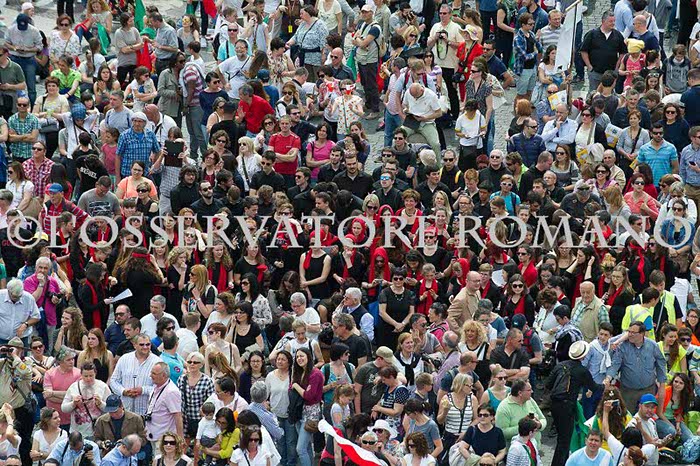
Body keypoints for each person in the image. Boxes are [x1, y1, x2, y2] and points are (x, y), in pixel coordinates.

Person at [548, 341, 603, 466]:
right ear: (583, 356)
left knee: (561, 438)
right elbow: (594, 387)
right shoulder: (582, 371)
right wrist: (605, 386)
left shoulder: (560, 366)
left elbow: (548, 384)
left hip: (555, 405)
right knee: (564, 440)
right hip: (567, 406)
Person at [604, 321, 667, 414]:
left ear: (642, 334)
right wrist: (608, 378)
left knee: (646, 416)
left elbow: (660, 364)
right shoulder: (622, 346)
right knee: (627, 416)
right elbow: (615, 364)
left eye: (633, 332)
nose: (630, 334)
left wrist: (662, 384)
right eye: (629, 331)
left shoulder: (652, 346)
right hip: (628, 391)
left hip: (648, 389)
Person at [109, 333, 162, 415]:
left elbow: (161, 387)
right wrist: (123, 391)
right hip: (126, 410)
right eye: (142, 344)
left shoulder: (157, 362)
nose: (145, 347)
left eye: (148, 344)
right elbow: (113, 381)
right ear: (134, 345)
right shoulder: (124, 359)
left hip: (147, 412)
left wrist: (143, 390)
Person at [495, 379, 546, 444]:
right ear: (520, 393)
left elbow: (543, 419)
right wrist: (524, 427)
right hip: (517, 448)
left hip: (535, 447)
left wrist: (539, 425)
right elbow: (502, 432)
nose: (532, 391)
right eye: (529, 390)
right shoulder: (504, 407)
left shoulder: (530, 400)